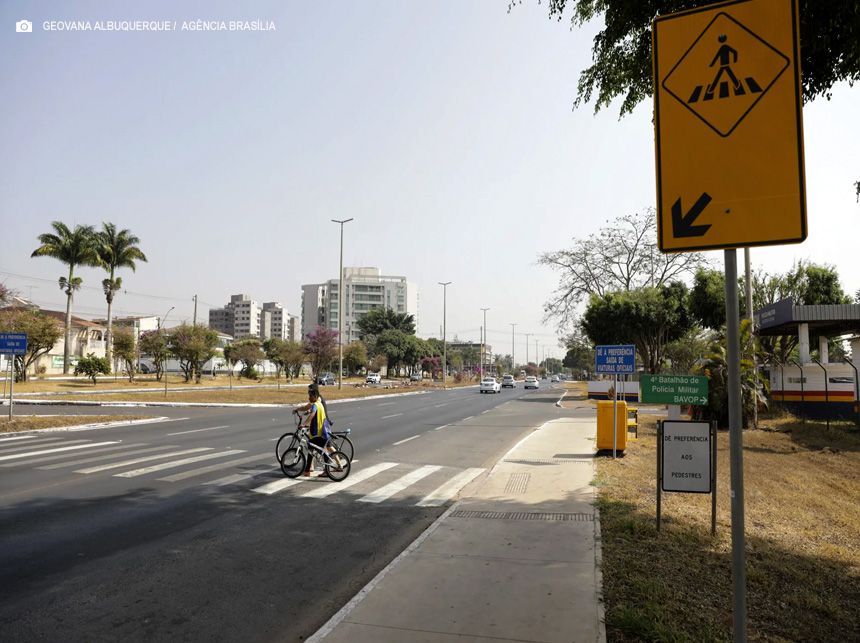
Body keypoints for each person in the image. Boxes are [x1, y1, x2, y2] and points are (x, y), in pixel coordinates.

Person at [295, 387, 332, 477]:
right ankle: (308, 470)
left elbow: (312, 414)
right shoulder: (319, 404)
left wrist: (304, 424)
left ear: (315, 396)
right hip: (321, 432)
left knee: (318, 451)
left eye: (310, 396)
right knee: (311, 450)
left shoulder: (315, 405)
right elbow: (311, 412)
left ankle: (325, 470)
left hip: (317, 433)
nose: (309, 398)